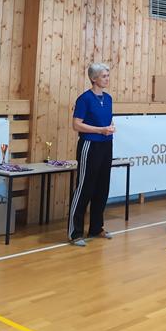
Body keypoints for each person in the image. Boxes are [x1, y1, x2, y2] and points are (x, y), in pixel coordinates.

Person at [69, 63, 115, 246]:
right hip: (90, 145)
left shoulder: (108, 99)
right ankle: (75, 232)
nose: (107, 79)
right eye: (104, 76)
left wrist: (109, 129)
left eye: (108, 75)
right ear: (94, 78)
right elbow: (76, 125)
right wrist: (99, 130)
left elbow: (107, 121)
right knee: (85, 187)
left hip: (106, 145)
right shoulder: (84, 99)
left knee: (102, 187)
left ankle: (96, 227)